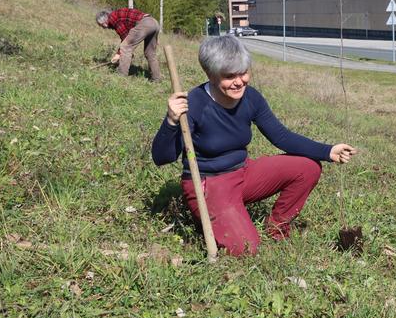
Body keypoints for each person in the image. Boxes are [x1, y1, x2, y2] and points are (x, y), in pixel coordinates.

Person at [151, 36, 356, 256]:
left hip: (244, 172)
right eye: (229, 76)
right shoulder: (194, 103)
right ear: (210, 75)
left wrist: (327, 151)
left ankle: (277, 228)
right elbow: (162, 157)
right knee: (246, 248)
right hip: (209, 184)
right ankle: (220, 216)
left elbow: (281, 137)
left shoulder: (250, 98)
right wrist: (171, 121)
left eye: (243, 72)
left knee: (308, 168)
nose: (239, 81)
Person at [95, 8, 161, 82]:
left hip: (145, 24)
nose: (103, 28)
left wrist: (119, 54)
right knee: (150, 53)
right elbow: (129, 36)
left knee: (125, 48)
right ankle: (156, 78)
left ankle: (121, 77)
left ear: (103, 22)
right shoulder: (116, 15)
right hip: (154, 23)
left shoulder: (113, 18)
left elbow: (125, 37)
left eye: (101, 25)